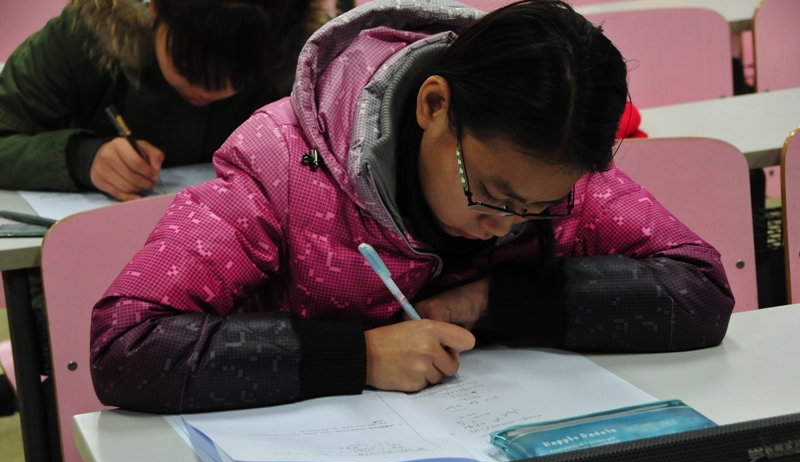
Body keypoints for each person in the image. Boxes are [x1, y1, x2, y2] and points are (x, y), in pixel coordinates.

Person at [90, 0, 735, 414]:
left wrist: (490, 301)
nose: (506, 226)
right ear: (433, 106)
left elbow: (700, 291)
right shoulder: (283, 162)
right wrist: (358, 356)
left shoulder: (549, 169)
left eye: (535, 210)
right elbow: (127, 344)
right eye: (490, 194)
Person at [0, 0, 329, 200]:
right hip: (91, 254)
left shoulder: (308, 60)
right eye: (188, 65)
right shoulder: (82, 40)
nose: (205, 90)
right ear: (155, 7)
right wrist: (81, 158)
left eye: (237, 72)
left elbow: (333, 162)